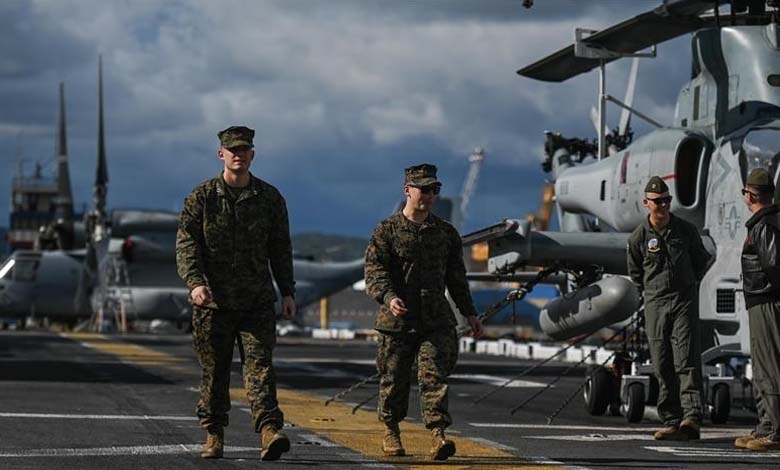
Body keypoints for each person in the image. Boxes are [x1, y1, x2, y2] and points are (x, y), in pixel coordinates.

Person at [176, 125, 295, 461]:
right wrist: (195, 282)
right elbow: (187, 244)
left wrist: (287, 291)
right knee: (215, 371)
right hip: (214, 303)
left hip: (256, 300)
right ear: (221, 155)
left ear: (253, 155)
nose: (238, 155)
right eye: (233, 150)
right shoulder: (201, 198)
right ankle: (213, 434)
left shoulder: (270, 199)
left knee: (260, 367)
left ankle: (270, 430)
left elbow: (280, 249)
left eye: (244, 150)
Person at [364, 163, 484, 460]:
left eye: (434, 190)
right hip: (397, 320)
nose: (430, 195)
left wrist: (470, 313)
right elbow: (374, 271)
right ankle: (391, 431)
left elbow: (457, 277)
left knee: (434, 376)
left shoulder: (445, 233)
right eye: (424, 189)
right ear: (408, 190)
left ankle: (437, 434)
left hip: (435, 318)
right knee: (394, 379)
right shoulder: (387, 230)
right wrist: (388, 297)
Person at [627, 175, 711, 441]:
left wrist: (686, 285)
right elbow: (636, 272)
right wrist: (653, 292)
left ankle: (691, 420)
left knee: (686, 359)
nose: (662, 206)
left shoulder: (686, 231)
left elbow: (701, 262)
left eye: (666, 200)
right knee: (662, 361)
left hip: (683, 300)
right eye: (657, 201)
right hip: (655, 303)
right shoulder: (638, 237)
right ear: (646, 203)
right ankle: (672, 420)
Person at [736, 167, 780, 452]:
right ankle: (767, 425)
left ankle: (772, 430)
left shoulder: (763, 225)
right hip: (767, 299)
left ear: (749, 195)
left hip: (765, 301)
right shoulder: (771, 221)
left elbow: (774, 265)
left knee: (767, 367)